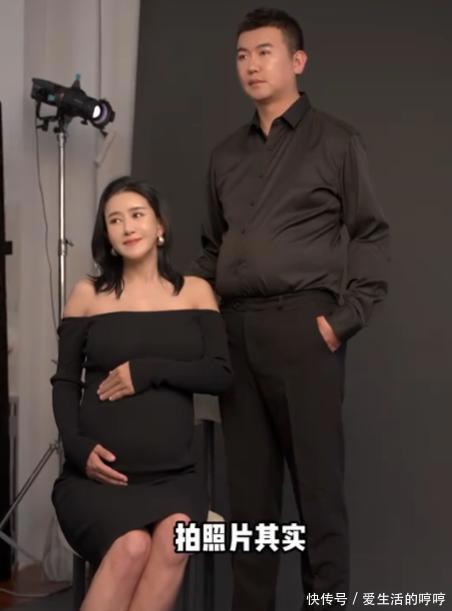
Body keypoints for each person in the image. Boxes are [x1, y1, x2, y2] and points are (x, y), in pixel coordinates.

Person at [189, 7, 390, 611]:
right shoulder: (225, 155)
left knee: (318, 497)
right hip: (237, 334)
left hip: (306, 330)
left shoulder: (337, 140)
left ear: (297, 61)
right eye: (241, 55)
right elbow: (211, 249)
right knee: (250, 504)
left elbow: (370, 233)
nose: (251, 65)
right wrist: (199, 320)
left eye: (264, 52)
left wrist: (343, 320)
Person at [51, 176, 232, 611]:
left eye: (137, 215)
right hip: (97, 479)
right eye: (115, 220)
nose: (127, 227)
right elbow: (66, 382)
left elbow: (220, 374)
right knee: (131, 546)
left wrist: (149, 371)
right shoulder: (87, 295)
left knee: (174, 540)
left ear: (160, 226)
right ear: (107, 235)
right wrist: (77, 448)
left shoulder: (195, 292)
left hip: (174, 477)